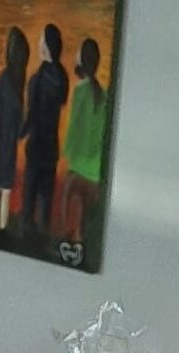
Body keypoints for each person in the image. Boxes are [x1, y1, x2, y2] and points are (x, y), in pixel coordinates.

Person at [21, 23, 67, 233]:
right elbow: (61, 103)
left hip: (36, 145)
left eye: (41, 40)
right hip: (51, 146)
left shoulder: (36, 80)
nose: (39, 43)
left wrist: (19, 133)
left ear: (46, 46)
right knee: (46, 196)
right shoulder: (62, 78)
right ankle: (43, 230)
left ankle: (27, 230)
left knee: (30, 194)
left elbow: (31, 115)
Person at [61, 36, 107, 246]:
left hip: (80, 164)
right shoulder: (103, 94)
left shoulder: (81, 90)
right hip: (96, 168)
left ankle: (72, 239)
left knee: (68, 199)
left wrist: (67, 155)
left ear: (82, 59)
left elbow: (74, 128)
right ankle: (80, 239)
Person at [0, 26, 29, 231]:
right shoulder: (20, 82)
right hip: (10, 143)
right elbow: (21, 124)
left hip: (0, 140)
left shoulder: (3, 79)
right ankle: (2, 225)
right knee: (5, 187)